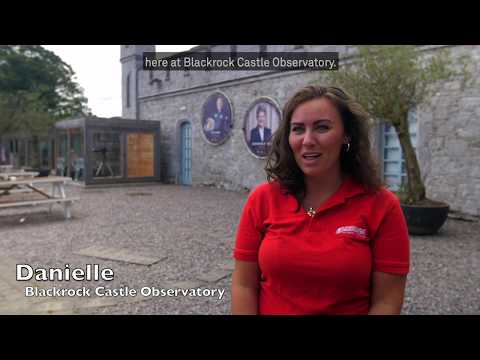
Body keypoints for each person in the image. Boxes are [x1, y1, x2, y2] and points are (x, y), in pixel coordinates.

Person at [231, 85, 410, 315]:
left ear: (347, 135)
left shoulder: (382, 206)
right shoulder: (263, 199)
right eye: (297, 129)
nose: (307, 140)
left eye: (322, 127)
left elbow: (386, 302)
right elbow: (244, 286)